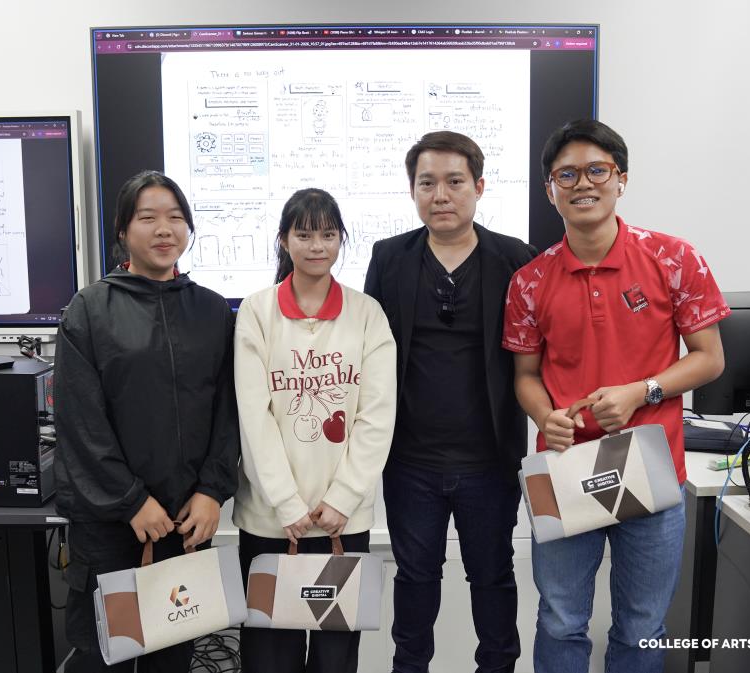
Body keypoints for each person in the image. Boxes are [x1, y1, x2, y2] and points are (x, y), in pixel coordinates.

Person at [503, 119, 729, 673]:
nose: (583, 183)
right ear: (550, 189)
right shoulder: (530, 281)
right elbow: (526, 375)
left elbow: (709, 357)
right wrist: (546, 415)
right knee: (559, 620)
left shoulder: (674, 258)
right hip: (564, 467)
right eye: (567, 174)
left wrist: (641, 392)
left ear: (621, 180)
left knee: (642, 625)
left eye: (597, 170)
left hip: (652, 465)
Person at [52, 170, 240, 673]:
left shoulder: (212, 311)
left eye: (176, 218)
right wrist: (131, 500)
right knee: (102, 652)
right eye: (148, 217)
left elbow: (228, 412)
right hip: (111, 520)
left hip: (185, 517)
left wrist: (212, 491)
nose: (164, 229)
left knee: (172, 650)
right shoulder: (90, 310)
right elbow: (80, 422)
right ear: (123, 230)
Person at [364, 131, 536, 673]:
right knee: (415, 581)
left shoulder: (515, 258)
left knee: (492, 577)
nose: (440, 195)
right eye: (427, 183)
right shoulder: (389, 257)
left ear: (479, 187)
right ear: (413, 190)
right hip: (410, 461)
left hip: (489, 460)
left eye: (454, 181)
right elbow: (369, 352)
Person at [233, 188, 396, 673]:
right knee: (270, 657)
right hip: (269, 520)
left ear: (341, 239)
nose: (317, 246)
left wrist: (343, 498)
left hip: (341, 520)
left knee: (335, 658)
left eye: (328, 234)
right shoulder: (256, 312)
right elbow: (254, 416)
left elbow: (376, 415)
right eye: (304, 234)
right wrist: (285, 502)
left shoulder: (366, 314)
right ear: (284, 240)